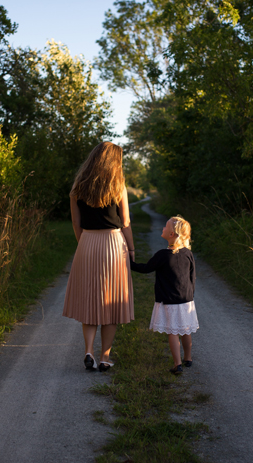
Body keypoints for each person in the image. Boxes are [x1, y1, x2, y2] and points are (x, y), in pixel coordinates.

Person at [63, 142, 135, 372]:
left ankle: (88, 351)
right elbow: (125, 223)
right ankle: (105, 357)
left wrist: (84, 243)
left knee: (90, 301)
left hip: (87, 242)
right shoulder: (118, 185)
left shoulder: (78, 187)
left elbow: (76, 223)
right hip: (113, 244)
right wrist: (131, 250)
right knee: (111, 302)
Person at [130, 216, 198, 374]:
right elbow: (192, 276)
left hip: (169, 300)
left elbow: (146, 268)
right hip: (186, 300)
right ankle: (188, 358)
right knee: (186, 330)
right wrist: (190, 295)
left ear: (172, 234)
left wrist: (128, 263)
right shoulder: (188, 254)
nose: (162, 228)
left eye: (165, 227)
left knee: (173, 332)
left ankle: (177, 364)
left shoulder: (163, 255)